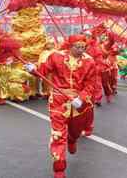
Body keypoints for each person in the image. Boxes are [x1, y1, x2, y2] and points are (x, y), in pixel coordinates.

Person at [24, 34, 98, 178]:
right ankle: (59, 168)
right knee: (57, 135)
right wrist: (34, 69)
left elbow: (91, 84)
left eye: (83, 47)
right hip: (58, 100)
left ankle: (72, 139)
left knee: (76, 131)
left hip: (78, 102)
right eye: (78, 47)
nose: (81, 50)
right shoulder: (56, 56)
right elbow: (43, 71)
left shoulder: (90, 61)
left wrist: (81, 98)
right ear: (70, 46)